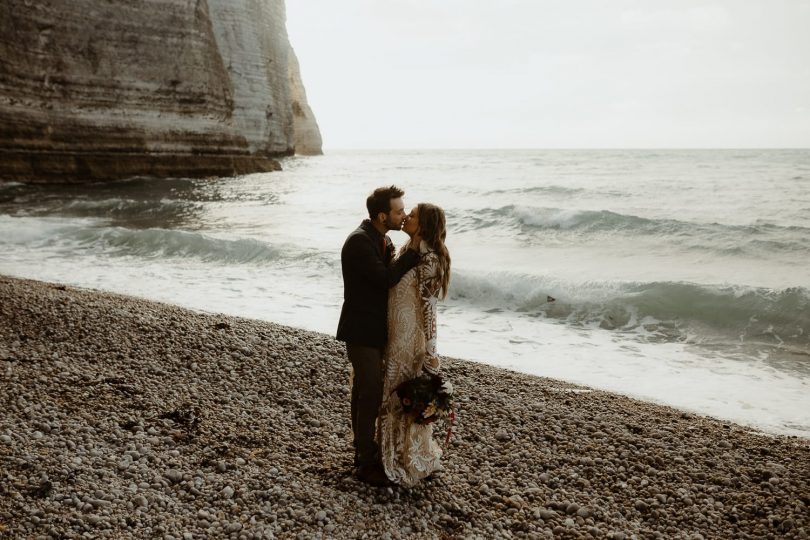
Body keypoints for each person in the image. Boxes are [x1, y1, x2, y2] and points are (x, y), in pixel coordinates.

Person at [336, 185, 422, 486]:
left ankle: (363, 452)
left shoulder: (382, 239)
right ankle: (365, 462)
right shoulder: (359, 242)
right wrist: (412, 254)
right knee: (369, 390)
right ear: (382, 214)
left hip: (376, 328)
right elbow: (386, 279)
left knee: (364, 389)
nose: (403, 215)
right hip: (360, 329)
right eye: (399, 211)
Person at [377, 203, 451, 487]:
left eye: (414, 215)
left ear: (425, 224)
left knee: (404, 396)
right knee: (391, 395)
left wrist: (431, 352)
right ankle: (391, 454)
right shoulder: (407, 251)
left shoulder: (431, 259)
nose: (407, 217)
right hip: (394, 335)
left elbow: (429, 309)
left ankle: (411, 458)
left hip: (410, 340)